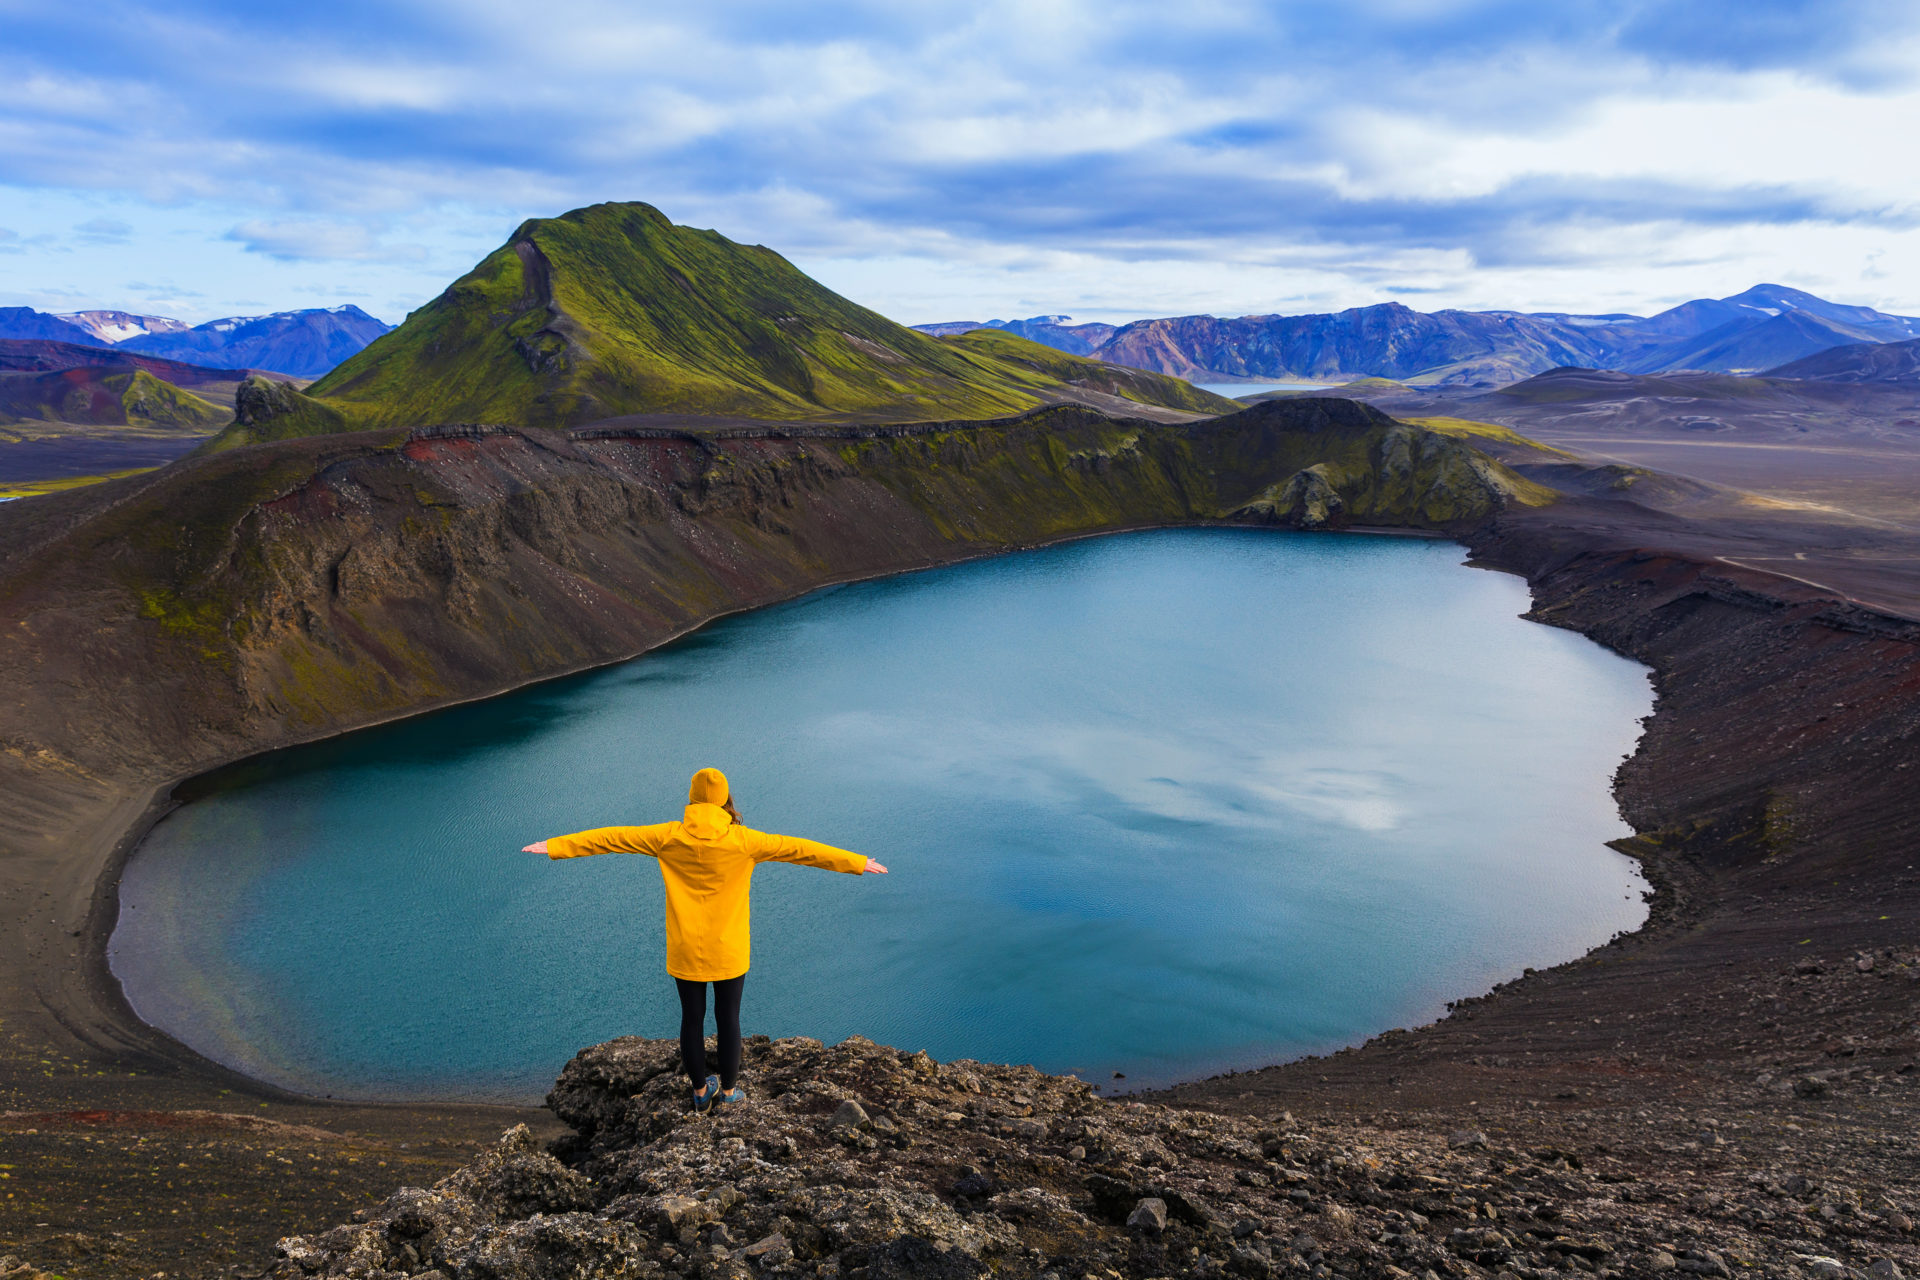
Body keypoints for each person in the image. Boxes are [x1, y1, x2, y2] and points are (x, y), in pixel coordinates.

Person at [523, 767, 886, 1113]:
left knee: (691, 1019)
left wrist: (555, 845)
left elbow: (610, 838)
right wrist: (855, 862)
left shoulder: (668, 836)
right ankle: (728, 1092)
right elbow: (802, 850)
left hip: (686, 948)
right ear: (726, 800)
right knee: (728, 1018)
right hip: (729, 948)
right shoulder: (745, 840)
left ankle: (700, 1092)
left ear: (693, 800)